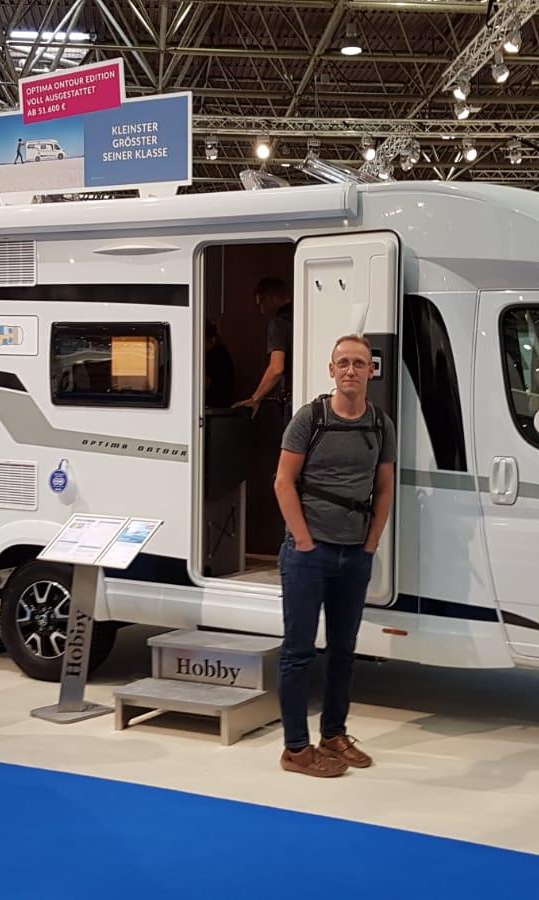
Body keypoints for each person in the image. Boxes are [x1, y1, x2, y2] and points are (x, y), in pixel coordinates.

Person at [272, 334, 396, 777]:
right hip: (308, 555)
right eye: (342, 363)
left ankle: (333, 735)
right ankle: (295, 749)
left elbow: (385, 488)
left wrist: (371, 543)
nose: (350, 370)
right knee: (298, 652)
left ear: (371, 371)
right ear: (331, 370)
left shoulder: (380, 424)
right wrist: (304, 540)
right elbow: (283, 482)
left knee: (344, 651)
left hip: (354, 555)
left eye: (359, 363)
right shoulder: (310, 419)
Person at [233, 277, 292, 423]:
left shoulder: (278, 323)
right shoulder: (301, 315)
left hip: (291, 399)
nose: (261, 310)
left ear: (271, 297)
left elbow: (276, 368)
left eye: (262, 303)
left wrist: (255, 398)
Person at [204, 320, 235, 409]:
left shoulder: (216, 355)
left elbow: (205, 383)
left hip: (215, 405)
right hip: (221, 404)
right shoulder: (221, 353)